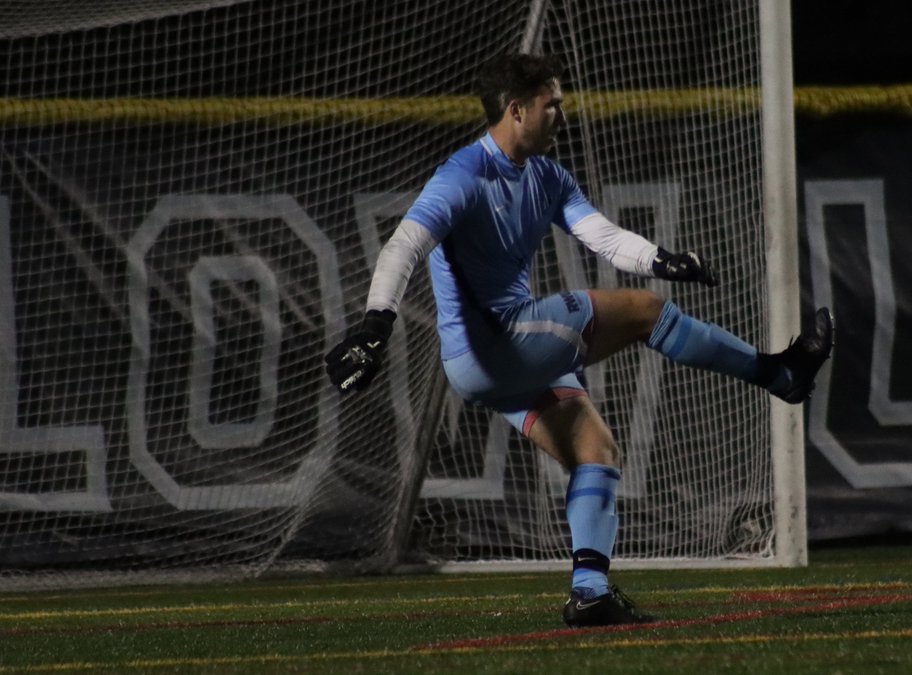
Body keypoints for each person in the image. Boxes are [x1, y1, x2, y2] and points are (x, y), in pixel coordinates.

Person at [325, 53, 833, 628]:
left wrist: (660, 259)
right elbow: (403, 245)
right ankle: (780, 375)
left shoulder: (547, 175)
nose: (561, 114)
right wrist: (375, 324)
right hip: (498, 345)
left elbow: (602, 236)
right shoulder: (463, 174)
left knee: (596, 452)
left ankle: (589, 592)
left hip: (491, 367)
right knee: (643, 311)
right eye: (552, 105)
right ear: (516, 111)